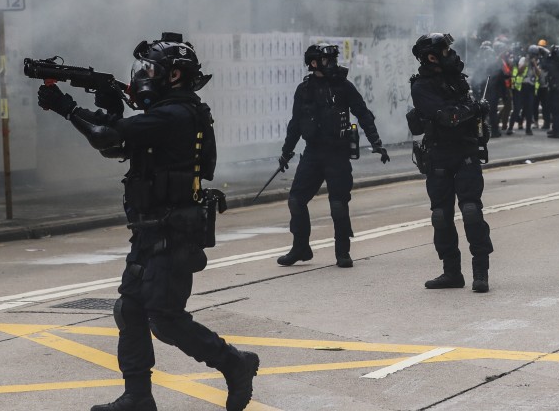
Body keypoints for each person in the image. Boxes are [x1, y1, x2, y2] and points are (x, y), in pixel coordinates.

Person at [36, 32, 259, 411]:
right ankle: (138, 396)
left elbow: (106, 134)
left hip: (172, 232)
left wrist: (68, 108)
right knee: (131, 310)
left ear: (173, 76)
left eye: (152, 69)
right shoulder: (170, 114)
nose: (143, 75)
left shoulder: (174, 114)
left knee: (167, 320)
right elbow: (116, 145)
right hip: (152, 229)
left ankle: (235, 364)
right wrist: (110, 108)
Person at [277, 43, 389, 269]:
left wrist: (376, 142)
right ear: (314, 63)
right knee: (296, 201)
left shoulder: (343, 87)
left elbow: (363, 114)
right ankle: (300, 248)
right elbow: (296, 123)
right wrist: (286, 152)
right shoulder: (304, 89)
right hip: (312, 152)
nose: (333, 65)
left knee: (338, 205)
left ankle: (343, 251)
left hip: (337, 153)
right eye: (328, 61)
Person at [407, 33, 494, 292]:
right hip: (439, 155)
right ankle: (452, 272)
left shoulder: (457, 80)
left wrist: (479, 114)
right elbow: (448, 117)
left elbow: (467, 116)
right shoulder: (421, 86)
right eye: (445, 50)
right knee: (441, 216)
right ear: (431, 56)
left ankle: (481, 272)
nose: (451, 54)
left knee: (471, 211)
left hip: (465, 152)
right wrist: (475, 110)